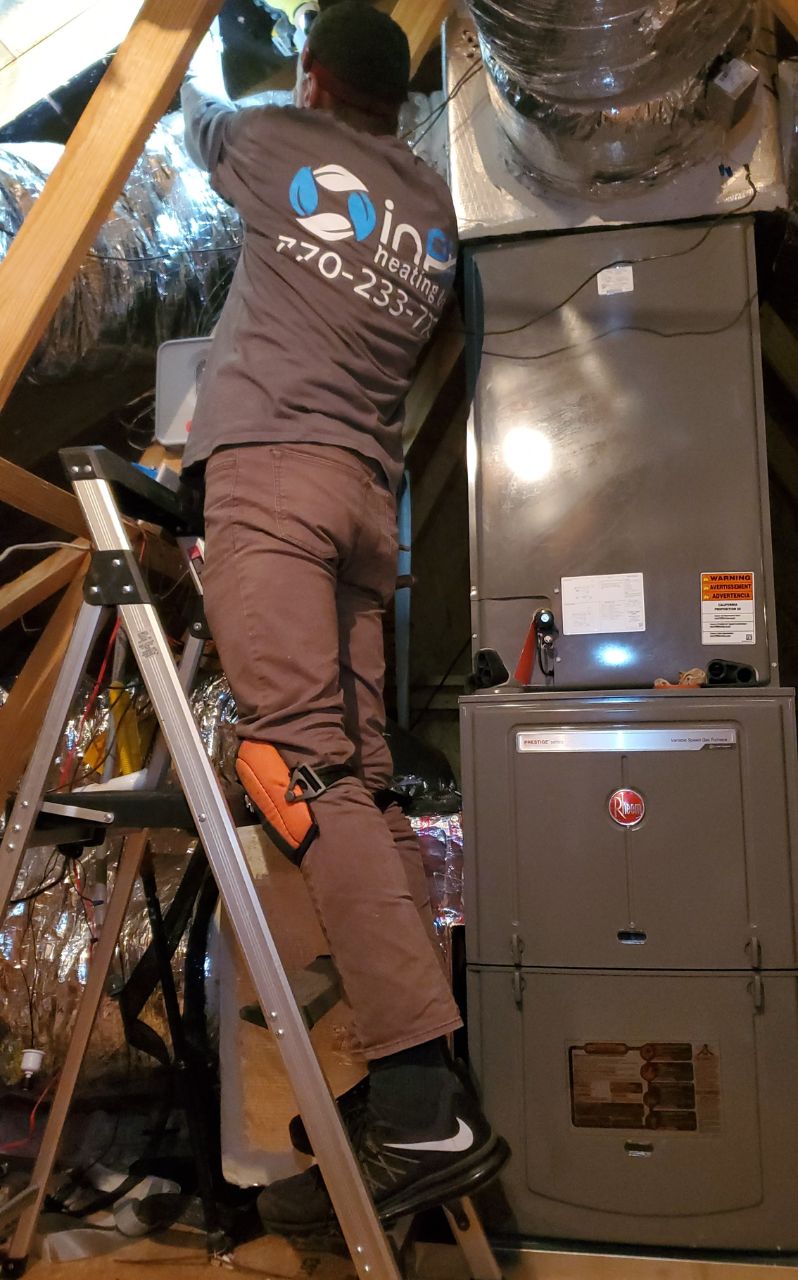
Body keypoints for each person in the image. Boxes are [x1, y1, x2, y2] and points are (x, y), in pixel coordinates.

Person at [181, 1, 507, 1234]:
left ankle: (418, 1102)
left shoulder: (277, 143)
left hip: (272, 475)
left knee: (299, 776)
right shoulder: (428, 202)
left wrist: (231, 53)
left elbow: (196, 122)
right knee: (358, 784)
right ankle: (421, 1077)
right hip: (369, 504)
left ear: (316, 75)